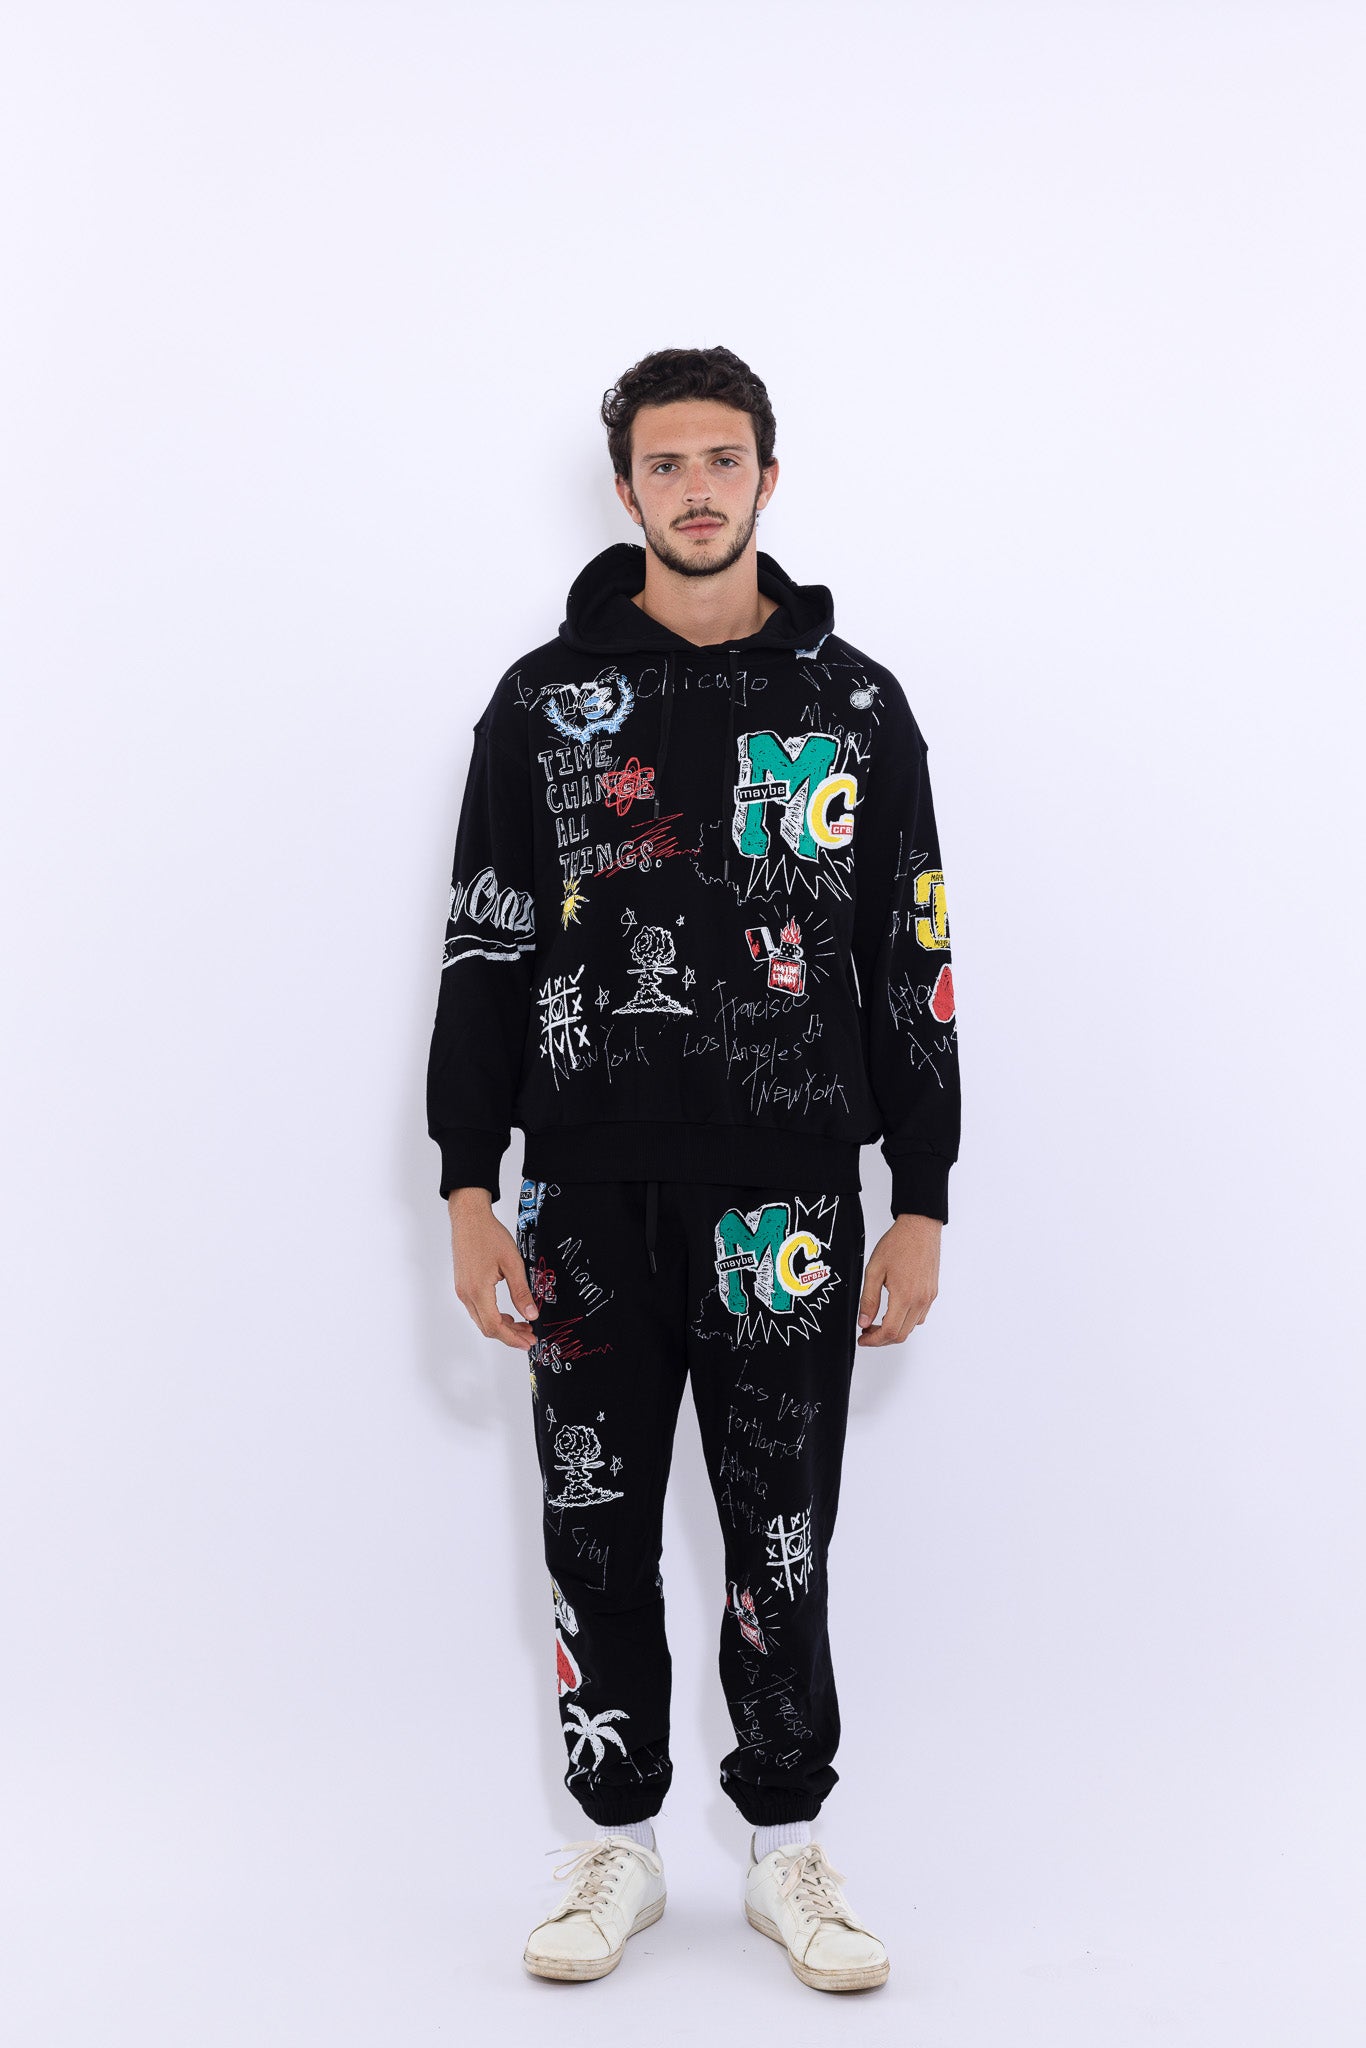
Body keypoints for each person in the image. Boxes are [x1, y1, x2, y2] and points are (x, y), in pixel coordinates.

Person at [426, 345, 960, 1992]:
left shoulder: (852, 706)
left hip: (786, 1187)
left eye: (723, 459)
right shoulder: (540, 702)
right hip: (583, 1194)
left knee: (775, 1527)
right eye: (665, 464)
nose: (697, 489)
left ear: (767, 480)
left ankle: (786, 1845)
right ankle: (619, 1845)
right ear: (626, 489)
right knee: (591, 1525)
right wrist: (466, 1180)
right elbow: (485, 943)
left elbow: (910, 949)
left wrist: (922, 1193)